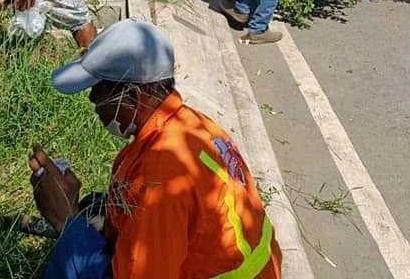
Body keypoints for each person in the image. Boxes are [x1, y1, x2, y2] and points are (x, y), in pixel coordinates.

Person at [30, 19, 282, 279]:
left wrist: (66, 221)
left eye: (97, 91)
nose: (92, 100)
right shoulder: (194, 125)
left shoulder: (159, 180)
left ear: (132, 98)